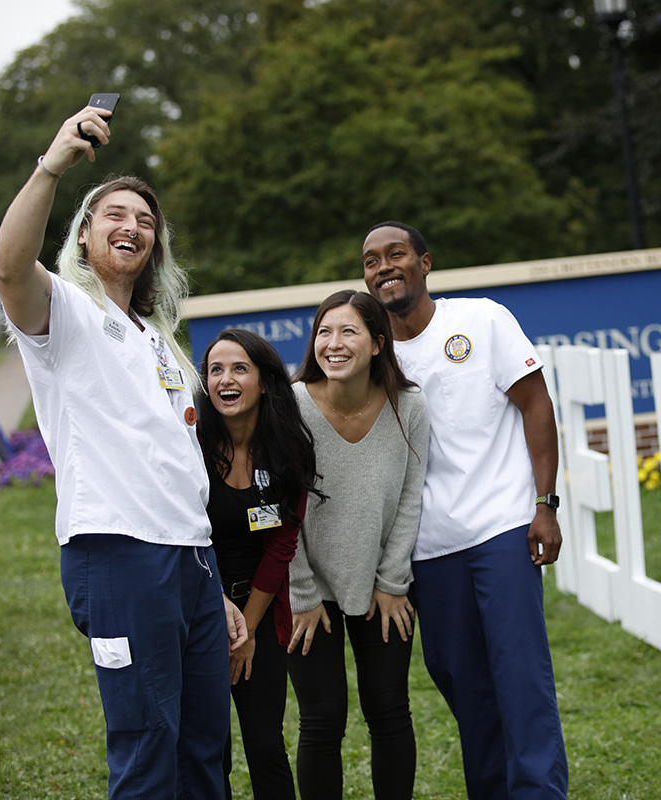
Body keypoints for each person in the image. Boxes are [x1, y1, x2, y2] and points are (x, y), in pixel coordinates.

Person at [0, 104, 247, 799]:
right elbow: (9, 268)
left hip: (189, 563)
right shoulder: (67, 313)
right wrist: (52, 165)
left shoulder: (157, 340)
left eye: (144, 218)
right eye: (114, 214)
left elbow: (176, 470)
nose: (132, 224)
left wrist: (214, 581)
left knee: (203, 750)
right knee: (146, 748)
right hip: (118, 555)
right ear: (83, 234)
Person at [362, 222, 569, 800]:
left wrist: (545, 504)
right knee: (462, 683)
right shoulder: (373, 351)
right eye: (371, 260)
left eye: (396, 254)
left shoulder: (482, 320)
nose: (384, 267)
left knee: (520, 680)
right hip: (428, 549)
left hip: (501, 528)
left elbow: (537, 406)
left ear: (424, 263)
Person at [288, 290, 429, 800]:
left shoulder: (408, 406)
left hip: (382, 586)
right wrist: (300, 593)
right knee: (321, 720)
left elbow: (412, 495)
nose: (334, 343)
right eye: (325, 332)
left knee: (390, 711)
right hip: (308, 592)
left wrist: (393, 582)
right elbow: (281, 509)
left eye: (348, 331)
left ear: (377, 343)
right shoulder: (291, 404)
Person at [198, 329, 323, 800]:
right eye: (215, 369)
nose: (225, 379)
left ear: (265, 381)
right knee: (211, 750)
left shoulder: (288, 450)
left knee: (266, 745)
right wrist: (218, 615)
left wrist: (246, 631)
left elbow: (281, 546)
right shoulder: (190, 447)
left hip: (261, 613)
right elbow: (182, 537)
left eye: (239, 368)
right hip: (198, 607)